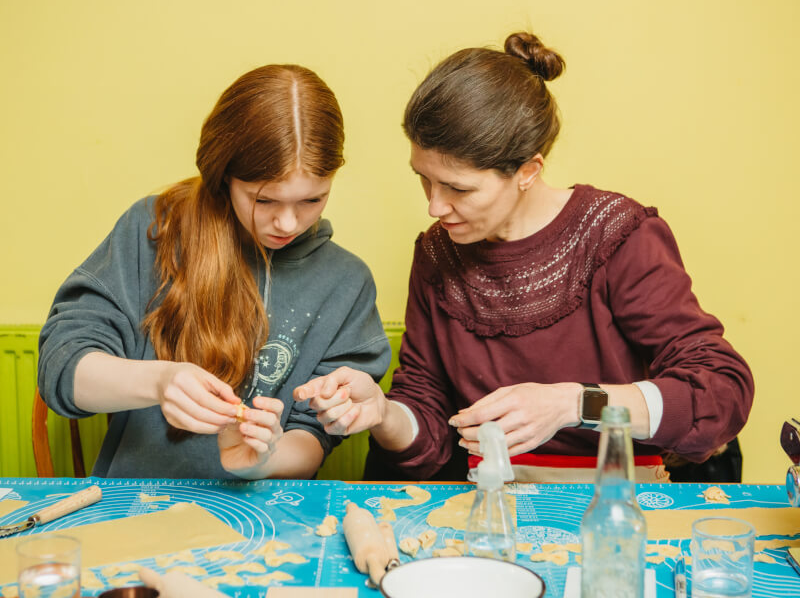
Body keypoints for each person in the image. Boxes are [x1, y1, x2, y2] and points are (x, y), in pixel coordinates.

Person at [294, 32, 754, 482]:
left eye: (458, 188)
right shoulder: (438, 253)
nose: (434, 206)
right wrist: (383, 412)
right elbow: (427, 420)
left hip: (615, 504)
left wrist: (574, 403)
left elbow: (720, 390)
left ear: (528, 171)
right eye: (424, 179)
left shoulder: (618, 235)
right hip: (491, 503)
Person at [38, 64, 390, 479]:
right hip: (134, 506)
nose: (289, 224)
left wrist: (260, 461)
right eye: (264, 201)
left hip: (269, 522)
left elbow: (312, 437)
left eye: (312, 200)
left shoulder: (346, 282)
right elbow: (62, 371)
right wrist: (159, 382)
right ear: (224, 177)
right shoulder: (153, 230)